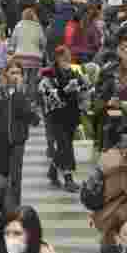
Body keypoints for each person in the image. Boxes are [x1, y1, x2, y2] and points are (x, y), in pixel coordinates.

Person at [0, 61, 38, 207]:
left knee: (16, 176)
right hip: (0, 140)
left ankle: (15, 208)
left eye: (18, 73)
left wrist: (20, 94)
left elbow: (33, 119)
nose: (15, 76)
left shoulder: (26, 94)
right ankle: (1, 205)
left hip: (18, 141)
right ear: (6, 74)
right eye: (12, 72)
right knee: (2, 176)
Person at [39, 46, 89, 192]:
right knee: (65, 146)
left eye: (69, 58)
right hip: (55, 115)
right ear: (58, 58)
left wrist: (83, 84)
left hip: (71, 115)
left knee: (63, 146)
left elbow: (85, 87)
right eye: (64, 58)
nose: (67, 61)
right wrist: (64, 91)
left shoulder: (74, 71)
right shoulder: (48, 73)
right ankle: (68, 179)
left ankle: (52, 171)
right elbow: (46, 93)